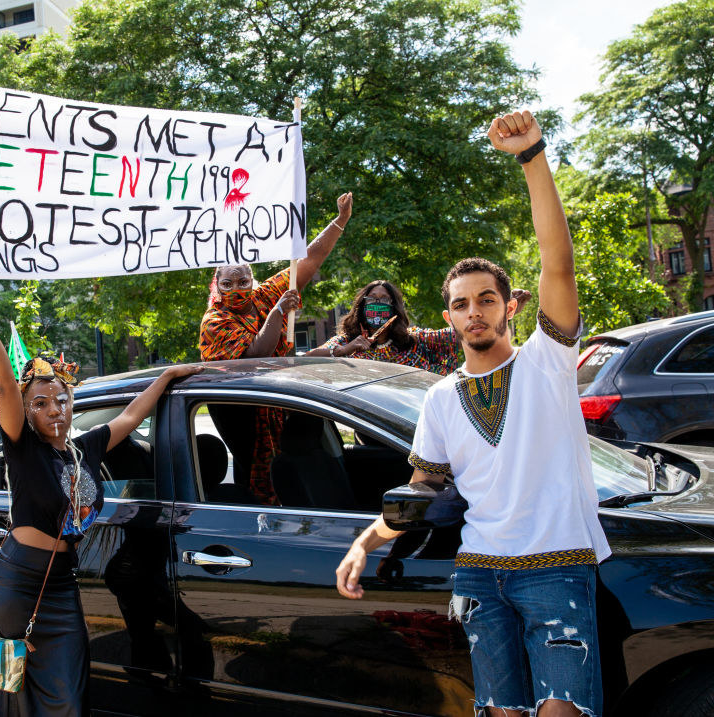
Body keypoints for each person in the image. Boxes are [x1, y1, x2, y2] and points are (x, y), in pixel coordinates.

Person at [335, 111, 608, 717]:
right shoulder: (439, 398)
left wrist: (531, 156)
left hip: (556, 569)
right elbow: (420, 490)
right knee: (498, 713)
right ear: (449, 316)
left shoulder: (548, 362)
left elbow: (556, 263)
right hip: (479, 574)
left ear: (509, 306)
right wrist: (364, 543)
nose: (474, 312)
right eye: (461, 304)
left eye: (487, 299)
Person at [0, 277, 201, 716]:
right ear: (27, 410)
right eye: (40, 403)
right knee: (7, 703)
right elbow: (4, 386)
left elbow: (130, 414)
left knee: (69, 700)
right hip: (14, 585)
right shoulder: (22, 448)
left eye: (61, 400)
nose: (53, 409)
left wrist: (166, 376)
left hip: (60, 587)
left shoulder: (86, 448)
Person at [198, 192, 352, 503]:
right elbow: (257, 353)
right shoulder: (214, 321)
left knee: (289, 468)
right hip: (241, 411)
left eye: (243, 282)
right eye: (228, 284)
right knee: (256, 472)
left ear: (252, 281)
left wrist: (339, 221)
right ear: (218, 286)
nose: (237, 290)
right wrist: (279, 311)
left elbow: (307, 261)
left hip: (279, 401)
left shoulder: (263, 296)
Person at [307, 280, 530, 376]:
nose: (377, 304)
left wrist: (501, 312)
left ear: (394, 309)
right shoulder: (347, 342)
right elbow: (308, 359)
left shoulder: (414, 340)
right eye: (372, 299)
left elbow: (458, 334)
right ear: (362, 305)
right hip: (369, 431)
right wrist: (345, 351)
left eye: (384, 300)